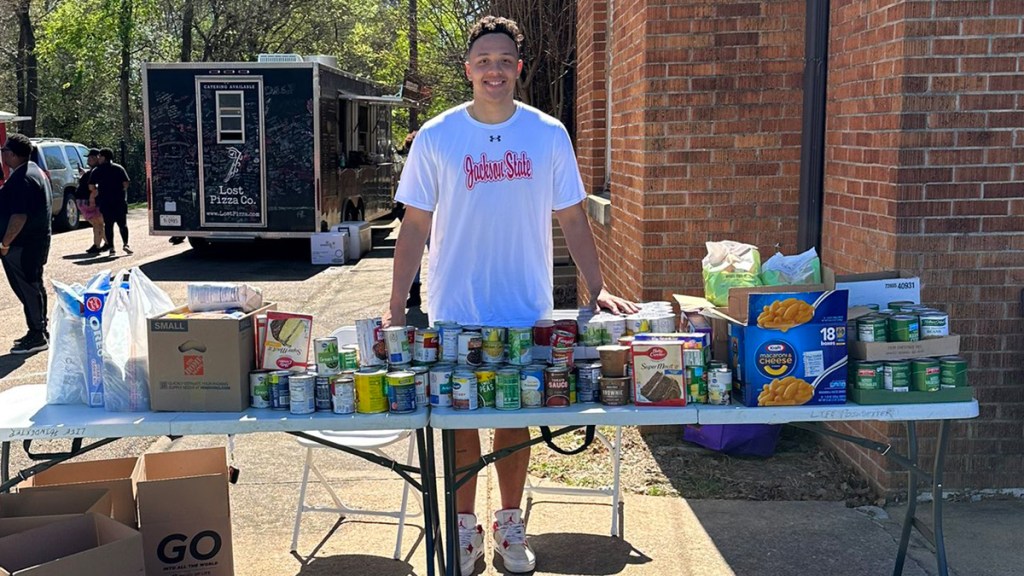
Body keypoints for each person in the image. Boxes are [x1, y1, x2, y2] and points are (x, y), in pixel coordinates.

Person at [384, 16, 638, 575]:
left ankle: (510, 526)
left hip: (525, 306)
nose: (493, 70)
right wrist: (397, 302)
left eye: (503, 61)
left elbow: (572, 218)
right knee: (459, 418)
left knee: (513, 415)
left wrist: (600, 289)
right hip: (456, 306)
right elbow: (415, 227)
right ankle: (464, 529)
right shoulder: (437, 135)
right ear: (468, 69)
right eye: (483, 61)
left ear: (517, 68)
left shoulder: (547, 134)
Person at [0, 133, 52, 354]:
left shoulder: (23, 178)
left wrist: (5, 243)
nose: (2, 155)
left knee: (28, 288)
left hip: (23, 245)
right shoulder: (34, 171)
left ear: (11, 154)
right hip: (32, 242)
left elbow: (19, 216)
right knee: (33, 286)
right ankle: (39, 328)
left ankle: (37, 333)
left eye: (3, 151)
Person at [89, 148, 131, 255]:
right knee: (122, 224)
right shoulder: (119, 168)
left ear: (104, 157)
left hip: (105, 201)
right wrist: (120, 190)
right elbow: (126, 183)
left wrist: (97, 190)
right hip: (119, 200)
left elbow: (91, 186)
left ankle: (112, 247)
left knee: (108, 224)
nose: (98, 158)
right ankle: (125, 244)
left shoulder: (97, 170)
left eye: (99, 156)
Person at [75, 148, 106, 253]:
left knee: (98, 224)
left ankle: (105, 244)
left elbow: (96, 187)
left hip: (89, 201)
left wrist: (92, 199)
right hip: (86, 201)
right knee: (97, 224)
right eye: (89, 157)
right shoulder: (92, 171)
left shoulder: (97, 171)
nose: (89, 159)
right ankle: (100, 244)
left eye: (92, 157)